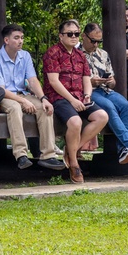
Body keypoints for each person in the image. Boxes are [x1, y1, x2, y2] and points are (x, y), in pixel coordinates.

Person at [0, 23, 66, 172]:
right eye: (16, 38)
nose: (20, 41)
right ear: (6, 40)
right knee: (15, 108)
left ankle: (48, 155)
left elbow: (33, 80)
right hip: (2, 96)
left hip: (22, 94)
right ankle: (21, 155)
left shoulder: (25, 55)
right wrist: (22, 101)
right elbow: (1, 90)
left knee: (44, 108)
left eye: (22, 38)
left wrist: (43, 98)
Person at [43, 20, 109, 183]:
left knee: (102, 116)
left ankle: (71, 150)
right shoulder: (52, 53)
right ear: (60, 36)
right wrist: (72, 100)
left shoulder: (80, 55)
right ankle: (74, 162)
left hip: (79, 97)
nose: (73, 37)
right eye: (69, 34)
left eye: (76, 34)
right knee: (75, 122)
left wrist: (87, 95)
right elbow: (53, 81)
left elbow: (86, 78)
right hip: (59, 98)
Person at [81, 22, 128, 164]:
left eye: (99, 41)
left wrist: (110, 81)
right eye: (93, 41)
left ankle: (123, 149)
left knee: (126, 106)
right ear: (84, 36)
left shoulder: (103, 54)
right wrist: (91, 82)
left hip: (105, 89)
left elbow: (113, 81)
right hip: (88, 91)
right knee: (109, 106)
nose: (96, 44)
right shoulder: (77, 54)